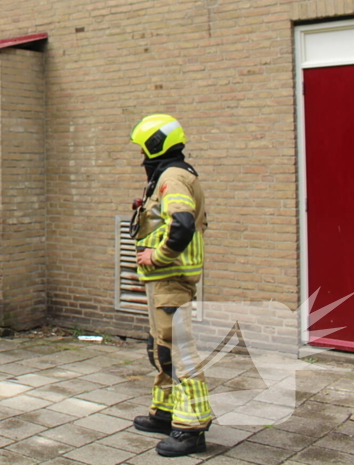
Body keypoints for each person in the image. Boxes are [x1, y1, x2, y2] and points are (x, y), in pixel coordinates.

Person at [129, 114, 213, 458]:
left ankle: (192, 428)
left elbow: (182, 225)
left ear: (154, 145)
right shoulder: (169, 174)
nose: (141, 158)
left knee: (180, 350)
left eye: (142, 149)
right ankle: (165, 414)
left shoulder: (173, 177)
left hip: (171, 278)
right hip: (162, 282)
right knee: (161, 346)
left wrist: (158, 256)